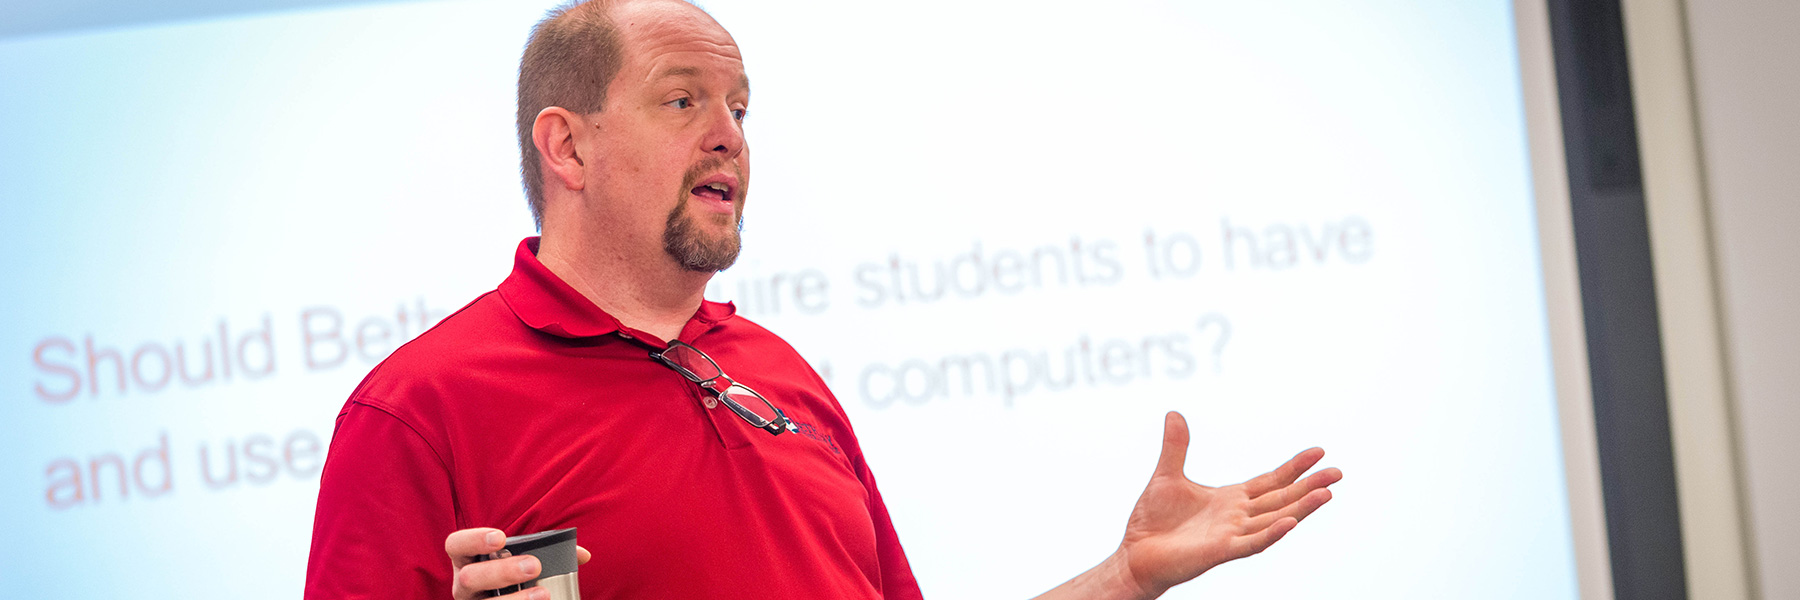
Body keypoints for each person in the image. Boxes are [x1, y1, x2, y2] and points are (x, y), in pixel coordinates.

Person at [303, 0, 1342, 598]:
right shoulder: (417, 410)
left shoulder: (779, 375)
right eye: (683, 101)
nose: (730, 135)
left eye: (740, 108)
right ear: (567, 145)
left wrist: (1126, 575)